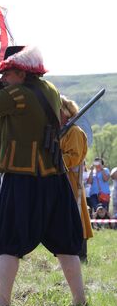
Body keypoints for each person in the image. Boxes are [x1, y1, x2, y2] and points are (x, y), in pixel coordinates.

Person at [0, 46, 85, 306]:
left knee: (8, 243)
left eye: (7, 73)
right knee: (65, 243)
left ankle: (1, 305)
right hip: (53, 177)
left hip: (23, 178)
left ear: (21, 73)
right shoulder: (48, 89)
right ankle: (80, 301)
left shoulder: (18, 94)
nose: (4, 78)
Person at [59, 96, 93, 262]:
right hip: (60, 181)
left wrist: (52, 158)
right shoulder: (60, 131)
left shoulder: (74, 132)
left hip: (71, 182)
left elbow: (73, 157)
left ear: (64, 111)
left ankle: (79, 255)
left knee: (76, 217)